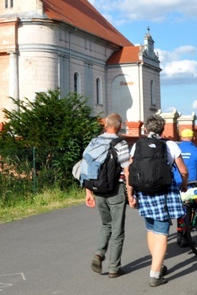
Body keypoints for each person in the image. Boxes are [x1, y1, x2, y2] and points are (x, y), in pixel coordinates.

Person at [127, 115, 188, 287]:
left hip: (144, 192)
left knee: (151, 229)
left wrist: (130, 195)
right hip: (164, 192)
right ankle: (155, 274)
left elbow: (130, 173)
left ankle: (158, 264)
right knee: (162, 232)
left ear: (146, 129)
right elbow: (183, 170)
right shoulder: (170, 145)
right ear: (163, 129)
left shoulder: (137, 146)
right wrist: (183, 184)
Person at [85, 113, 131, 278]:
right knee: (118, 229)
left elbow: (87, 167)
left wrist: (88, 191)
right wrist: (131, 193)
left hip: (98, 189)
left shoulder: (94, 142)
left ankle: (99, 253)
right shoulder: (121, 143)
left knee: (106, 224)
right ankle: (114, 267)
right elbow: (127, 169)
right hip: (116, 189)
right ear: (119, 126)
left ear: (105, 125)